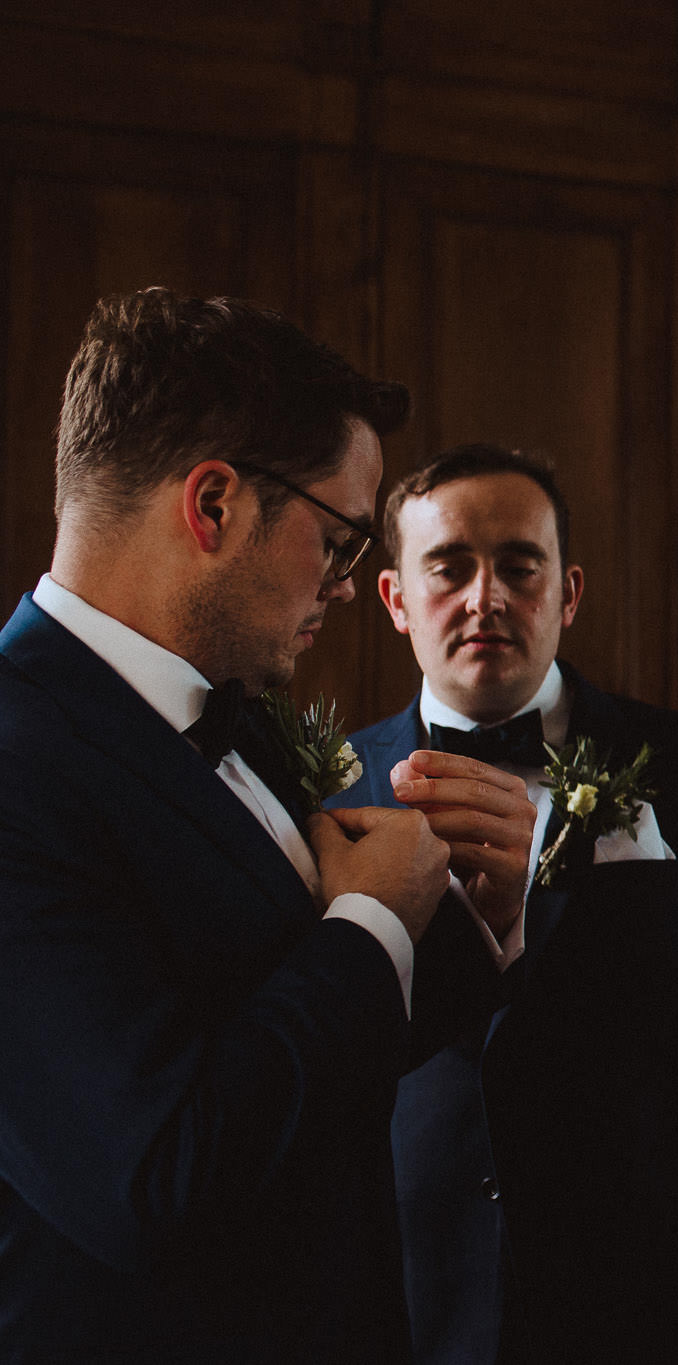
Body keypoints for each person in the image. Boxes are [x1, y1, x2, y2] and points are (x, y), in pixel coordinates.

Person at [0, 289, 534, 1358]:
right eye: (339, 541)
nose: (344, 587)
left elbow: (308, 1042)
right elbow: (152, 1177)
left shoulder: (231, 712)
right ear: (213, 506)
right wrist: (372, 919)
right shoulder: (19, 759)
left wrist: (483, 916)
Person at [332, 442, 678, 1363]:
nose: (488, 598)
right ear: (396, 599)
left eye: (520, 566)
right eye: (450, 568)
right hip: (401, 1301)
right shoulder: (327, 788)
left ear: (569, 592)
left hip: (641, 1293)